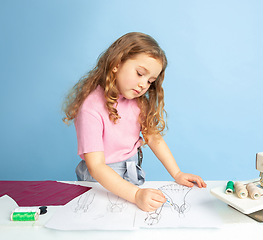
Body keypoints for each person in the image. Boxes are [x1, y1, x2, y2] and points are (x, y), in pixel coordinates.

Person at [62, 32, 206, 212]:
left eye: (150, 81)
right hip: (100, 181)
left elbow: (153, 138)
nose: (143, 85)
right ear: (116, 64)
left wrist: (177, 173)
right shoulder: (91, 108)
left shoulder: (138, 103)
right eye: (139, 73)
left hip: (130, 174)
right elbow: (97, 166)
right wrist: (136, 195)